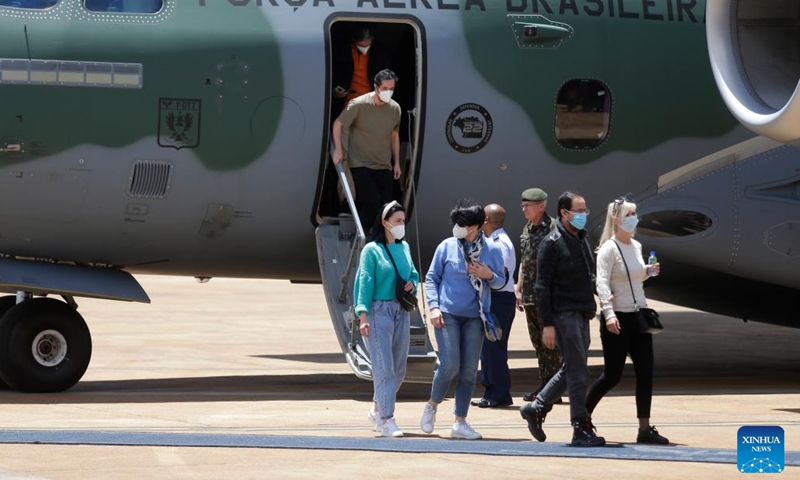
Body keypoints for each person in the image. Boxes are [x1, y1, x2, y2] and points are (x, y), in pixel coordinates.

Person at [519, 191, 606, 447]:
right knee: (579, 372)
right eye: (578, 211)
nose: (583, 215)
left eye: (585, 210)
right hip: (563, 314)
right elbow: (541, 287)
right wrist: (547, 323)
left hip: (582, 312)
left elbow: (589, 274)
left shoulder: (582, 238)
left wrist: (604, 295)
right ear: (564, 213)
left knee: (572, 368)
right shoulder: (552, 242)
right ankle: (580, 426)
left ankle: (537, 408)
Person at [585, 198, 669, 445]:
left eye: (635, 213)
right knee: (613, 375)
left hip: (638, 314)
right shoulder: (609, 249)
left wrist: (648, 272)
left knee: (646, 373)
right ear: (617, 219)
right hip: (617, 317)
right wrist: (609, 313)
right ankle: (582, 417)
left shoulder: (636, 245)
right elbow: (602, 282)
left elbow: (635, 278)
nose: (634, 217)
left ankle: (644, 428)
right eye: (629, 213)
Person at [420, 199, 505, 440]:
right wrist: (434, 307)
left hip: (476, 317)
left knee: (469, 371)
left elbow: (501, 282)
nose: (458, 227)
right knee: (449, 365)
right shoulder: (447, 246)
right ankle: (432, 405)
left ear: (476, 226)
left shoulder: (493, 249)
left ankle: (460, 421)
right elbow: (431, 278)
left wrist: (488, 274)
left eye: (463, 224)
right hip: (448, 314)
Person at [354, 201, 419, 438]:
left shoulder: (405, 248)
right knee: (384, 368)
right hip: (378, 310)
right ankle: (386, 419)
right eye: (397, 221)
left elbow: (412, 272)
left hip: (401, 310)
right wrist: (363, 315)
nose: (401, 225)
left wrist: (413, 282)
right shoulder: (371, 250)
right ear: (385, 222)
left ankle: (377, 407)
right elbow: (364, 281)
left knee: (399, 369)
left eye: (403, 220)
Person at [332, 69, 402, 232]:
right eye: (385, 89)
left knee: (385, 209)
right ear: (376, 87)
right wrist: (338, 150)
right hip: (360, 163)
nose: (388, 92)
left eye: (391, 89)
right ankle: (361, 234)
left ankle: (376, 239)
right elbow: (338, 124)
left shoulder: (395, 108)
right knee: (372, 201)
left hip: (384, 164)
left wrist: (397, 162)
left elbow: (394, 135)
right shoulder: (359, 104)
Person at [514, 188, 563, 404]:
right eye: (523, 205)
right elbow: (525, 259)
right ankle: (546, 385)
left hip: (547, 296)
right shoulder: (527, 228)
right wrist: (518, 286)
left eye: (527, 205)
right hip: (529, 295)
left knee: (551, 344)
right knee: (538, 343)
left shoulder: (553, 228)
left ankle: (553, 389)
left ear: (541, 206)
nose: (523, 209)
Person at [470, 204, 516, 408]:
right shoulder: (492, 240)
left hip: (500, 299)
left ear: (486, 220)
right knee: (488, 349)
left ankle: (499, 393)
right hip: (495, 298)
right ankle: (492, 392)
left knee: (494, 347)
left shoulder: (500, 243)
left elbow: (501, 274)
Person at [331, 25, 391, 122]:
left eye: (368, 45)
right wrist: (334, 89)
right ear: (354, 41)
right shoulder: (341, 51)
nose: (365, 48)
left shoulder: (379, 54)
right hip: (347, 104)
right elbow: (332, 73)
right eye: (362, 46)